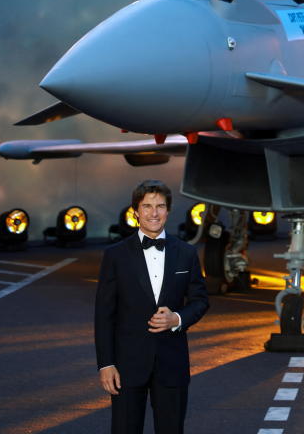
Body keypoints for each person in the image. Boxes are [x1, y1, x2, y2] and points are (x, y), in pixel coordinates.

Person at [95, 179, 209, 434]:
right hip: (126, 364)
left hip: (172, 363)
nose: (153, 213)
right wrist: (106, 364)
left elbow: (200, 300)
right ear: (135, 211)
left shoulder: (186, 253)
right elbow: (104, 315)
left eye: (160, 206)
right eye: (147, 206)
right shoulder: (115, 255)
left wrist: (177, 318)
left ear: (168, 210)